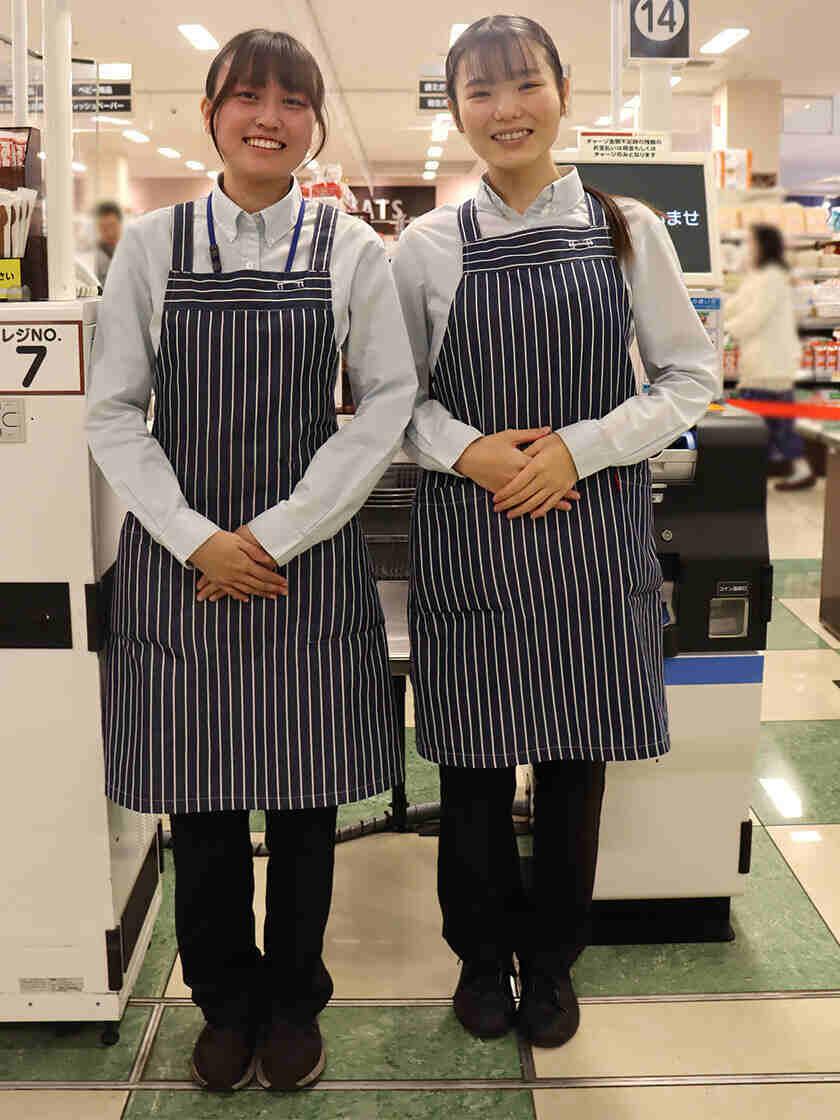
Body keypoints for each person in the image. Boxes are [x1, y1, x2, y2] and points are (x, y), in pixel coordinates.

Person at [86, 28, 416, 1093]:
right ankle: (224, 1003)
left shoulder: (350, 250)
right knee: (207, 809)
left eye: (290, 99)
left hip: (301, 562)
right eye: (248, 95)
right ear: (212, 111)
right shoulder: (152, 244)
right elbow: (114, 410)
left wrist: (270, 536)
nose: (267, 115)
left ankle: (292, 1002)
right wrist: (197, 537)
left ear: (312, 122)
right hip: (182, 565)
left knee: (307, 802)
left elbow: (384, 409)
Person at [391, 15, 717, 1049]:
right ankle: (482, 959)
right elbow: (390, 396)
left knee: (577, 768)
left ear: (564, 90)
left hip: (591, 529)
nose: (504, 110)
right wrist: (468, 450)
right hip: (473, 530)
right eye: (478, 92)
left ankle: (553, 963)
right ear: (456, 110)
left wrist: (580, 446)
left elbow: (689, 375)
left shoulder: (631, 230)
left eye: (522, 84)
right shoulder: (429, 245)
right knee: (478, 773)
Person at [725, 223, 814, 490]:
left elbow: (755, 316)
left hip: (769, 364)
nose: (747, 249)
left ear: (763, 245)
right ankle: (798, 471)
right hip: (763, 364)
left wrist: (726, 330)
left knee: (759, 424)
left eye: (751, 243)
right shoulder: (758, 276)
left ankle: (751, 479)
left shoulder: (773, 277)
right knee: (778, 424)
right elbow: (734, 306)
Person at [93, 200, 123, 287]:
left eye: (112, 225)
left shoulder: (132, 250)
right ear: (97, 226)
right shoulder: (93, 256)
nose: (109, 232)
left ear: (120, 224)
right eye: (104, 227)